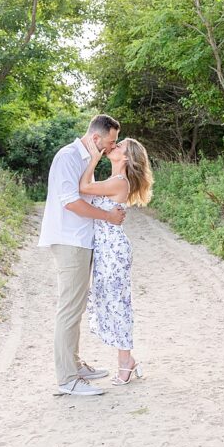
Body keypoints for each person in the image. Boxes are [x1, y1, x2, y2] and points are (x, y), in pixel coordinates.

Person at [38, 114, 126, 396]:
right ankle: (67, 379)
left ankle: (75, 365)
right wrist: (108, 217)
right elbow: (71, 203)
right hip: (68, 241)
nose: (112, 147)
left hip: (81, 240)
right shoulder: (67, 157)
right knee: (69, 308)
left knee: (76, 307)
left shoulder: (88, 159)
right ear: (96, 138)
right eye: (111, 142)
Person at [78, 136, 154, 385]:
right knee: (109, 301)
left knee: (118, 304)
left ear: (127, 157)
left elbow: (83, 187)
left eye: (119, 146)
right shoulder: (112, 181)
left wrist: (93, 158)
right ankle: (127, 360)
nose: (114, 145)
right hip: (105, 250)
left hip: (113, 250)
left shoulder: (119, 182)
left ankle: (125, 363)